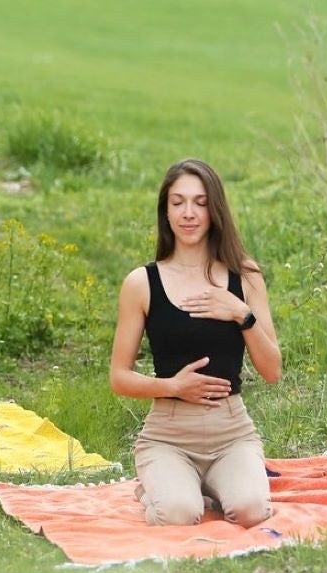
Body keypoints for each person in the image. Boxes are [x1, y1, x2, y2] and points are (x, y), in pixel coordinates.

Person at [108, 159, 283, 527]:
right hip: (168, 435)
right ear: (166, 211)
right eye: (178, 202)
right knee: (179, 514)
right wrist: (172, 386)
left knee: (251, 511)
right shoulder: (141, 283)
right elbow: (119, 377)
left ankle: (211, 486)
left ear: (214, 210)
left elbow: (272, 371)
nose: (189, 213)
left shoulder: (245, 277)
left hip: (232, 432)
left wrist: (241, 314)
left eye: (200, 203)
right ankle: (162, 489)